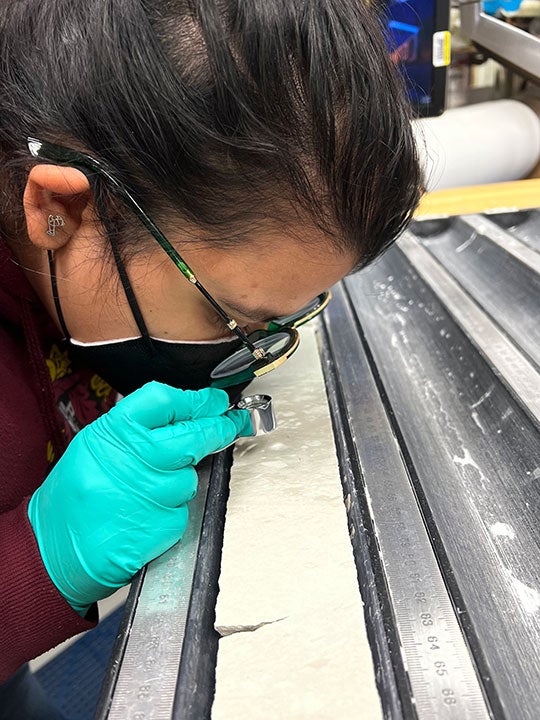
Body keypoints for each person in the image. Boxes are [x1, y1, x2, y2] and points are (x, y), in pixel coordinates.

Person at [0, 0, 421, 716]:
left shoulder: (100, 271)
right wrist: (34, 566)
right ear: (56, 211)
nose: (248, 352)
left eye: (288, 315)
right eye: (229, 316)